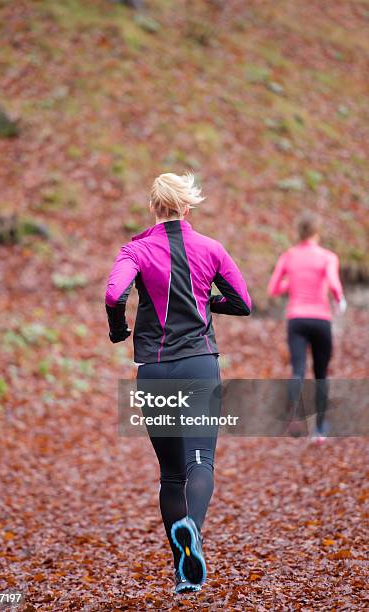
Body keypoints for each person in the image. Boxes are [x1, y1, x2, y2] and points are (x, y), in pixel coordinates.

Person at [105, 172, 251, 593]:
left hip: (154, 371)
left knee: (170, 475)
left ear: (154, 207)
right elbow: (242, 302)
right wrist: (206, 300)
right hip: (199, 367)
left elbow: (115, 295)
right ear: (187, 208)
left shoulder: (136, 249)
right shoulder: (212, 248)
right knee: (199, 463)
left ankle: (183, 572)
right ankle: (194, 531)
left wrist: (119, 328)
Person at [268, 212, 346, 441]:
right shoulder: (327, 257)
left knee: (298, 370)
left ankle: (293, 411)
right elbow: (333, 283)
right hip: (321, 320)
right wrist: (340, 300)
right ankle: (320, 430)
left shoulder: (289, 256)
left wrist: (290, 283)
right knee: (321, 374)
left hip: (297, 320)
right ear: (316, 232)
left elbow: (273, 288)